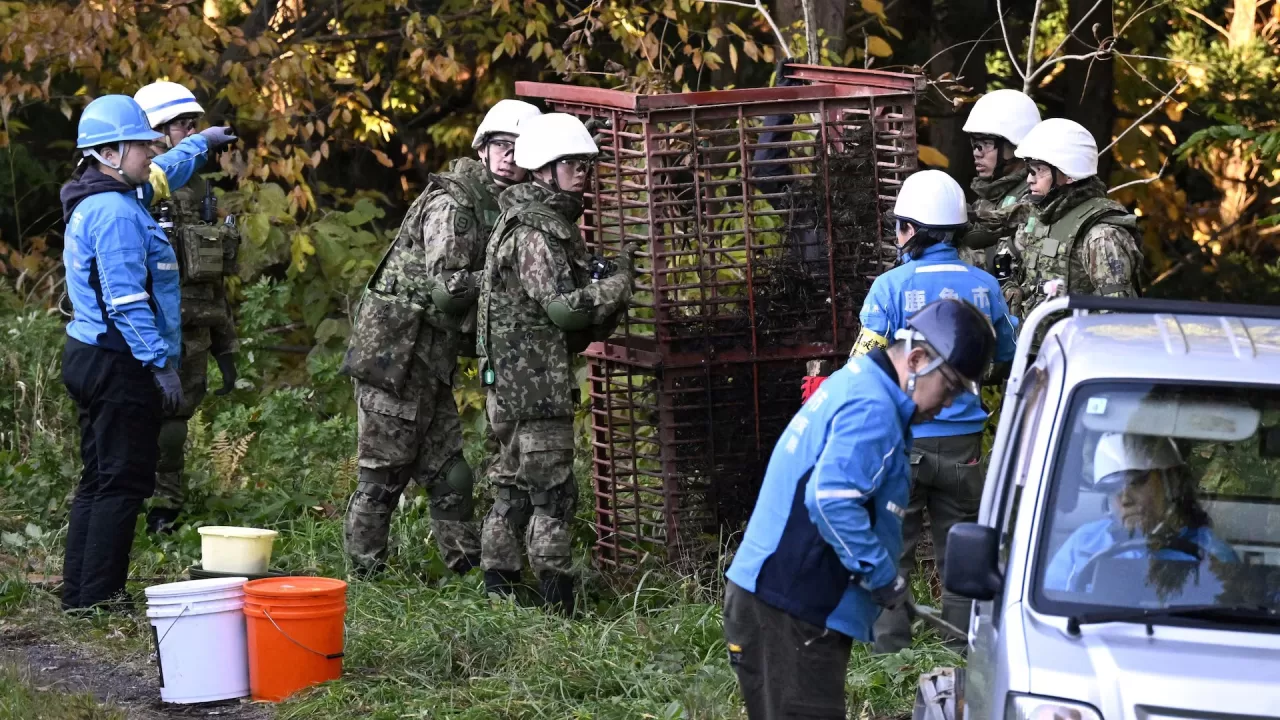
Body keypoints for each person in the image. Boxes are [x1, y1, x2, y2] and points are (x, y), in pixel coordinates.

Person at [724, 299, 997, 719]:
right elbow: (831, 500)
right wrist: (882, 576)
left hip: (783, 603)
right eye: (950, 388)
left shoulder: (861, 383)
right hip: (791, 608)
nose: (949, 404)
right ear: (917, 360)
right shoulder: (874, 407)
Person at [341, 99, 542, 577]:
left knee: (450, 473)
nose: (509, 156)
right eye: (501, 145)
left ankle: (464, 570)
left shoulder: (503, 204)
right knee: (383, 473)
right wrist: (510, 277)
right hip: (397, 353)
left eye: (520, 148)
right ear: (483, 148)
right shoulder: (456, 203)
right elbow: (448, 290)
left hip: (430, 357)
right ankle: (364, 575)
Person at [59, 95, 231, 610]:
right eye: (140, 145)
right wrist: (159, 363)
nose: (151, 152)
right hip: (118, 361)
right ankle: (100, 597)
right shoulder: (115, 213)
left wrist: (199, 144)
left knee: (100, 478)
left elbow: (165, 170)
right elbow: (126, 299)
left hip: (92, 353)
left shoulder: (106, 193)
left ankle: (81, 593)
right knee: (124, 482)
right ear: (109, 153)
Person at [846, 170, 1018, 654]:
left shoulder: (889, 287)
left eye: (899, 226)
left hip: (904, 442)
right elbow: (1009, 353)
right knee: (961, 550)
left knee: (892, 546)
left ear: (912, 230)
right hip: (964, 446)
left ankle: (890, 653)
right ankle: (961, 648)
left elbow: (863, 364)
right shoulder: (985, 286)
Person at [476, 112, 636, 612]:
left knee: (513, 487)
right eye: (571, 164)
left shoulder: (525, 218)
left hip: (512, 380)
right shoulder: (537, 231)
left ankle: (501, 594)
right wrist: (618, 284)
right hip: (533, 386)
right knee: (552, 495)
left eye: (585, 164)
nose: (581, 173)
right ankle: (557, 605)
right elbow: (563, 310)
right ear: (544, 169)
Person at [133, 80, 242, 533]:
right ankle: (127, 501)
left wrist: (225, 346)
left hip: (193, 326)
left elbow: (210, 274)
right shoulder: (139, 186)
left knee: (174, 424)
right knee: (137, 420)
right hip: (143, 327)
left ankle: (165, 509)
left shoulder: (198, 189)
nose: (192, 133)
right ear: (156, 130)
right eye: (182, 125)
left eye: (195, 124)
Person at [1045, 433, 1237, 592]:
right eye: (1113, 489)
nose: (1125, 499)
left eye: (1136, 483)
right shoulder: (1083, 543)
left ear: (1172, 481)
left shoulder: (1211, 553)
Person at [998, 118, 1143, 320]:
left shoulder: (1101, 235)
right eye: (1030, 169)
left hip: (1075, 339)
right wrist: (1012, 288)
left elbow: (1117, 319)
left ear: (1068, 175)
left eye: (1039, 170)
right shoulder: (1040, 217)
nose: (1030, 179)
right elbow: (1007, 263)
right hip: (1032, 337)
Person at [958, 89, 1041, 269]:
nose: (977, 153)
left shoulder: (1035, 196)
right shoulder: (991, 194)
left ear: (1016, 146)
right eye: (975, 144)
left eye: (986, 143)